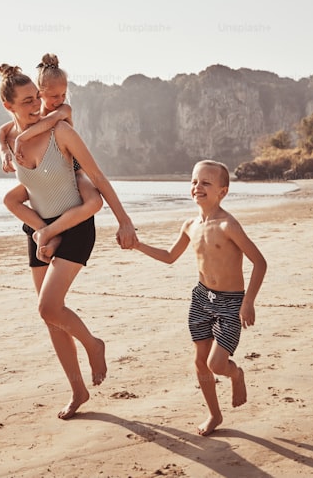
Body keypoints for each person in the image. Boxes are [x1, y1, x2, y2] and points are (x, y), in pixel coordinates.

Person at [0, 63, 138, 420]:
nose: (37, 106)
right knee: (51, 318)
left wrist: (125, 220)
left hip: (75, 228)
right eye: (28, 101)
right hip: (41, 226)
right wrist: (4, 150)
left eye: (35, 99)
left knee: (48, 307)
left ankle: (94, 344)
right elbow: (0, 134)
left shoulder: (60, 131)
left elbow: (97, 178)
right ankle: (78, 391)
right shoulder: (11, 137)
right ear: (9, 106)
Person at [132, 160, 267, 436]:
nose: (198, 187)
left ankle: (235, 374)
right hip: (201, 298)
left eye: (206, 182)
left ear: (223, 191)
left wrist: (248, 301)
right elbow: (170, 257)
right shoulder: (190, 225)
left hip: (231, 301)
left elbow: (259, 262)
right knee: (199, 361)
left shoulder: (228, 225)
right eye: (194, 181)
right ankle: (214, 414)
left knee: (216, 364)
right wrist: (138, 245)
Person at [0, 54, 103, 262]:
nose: (59, 100)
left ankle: (50, 231)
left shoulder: (62, 111)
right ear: (42, 94)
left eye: (63, 94)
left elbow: (47, 123)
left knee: (95, 202)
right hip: (47, 177)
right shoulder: (34, 115)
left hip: (72, 169)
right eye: (53, 96)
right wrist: (4, 151)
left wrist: (22, 138)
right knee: (10, 199)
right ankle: (46, 231)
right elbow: (0, 131)